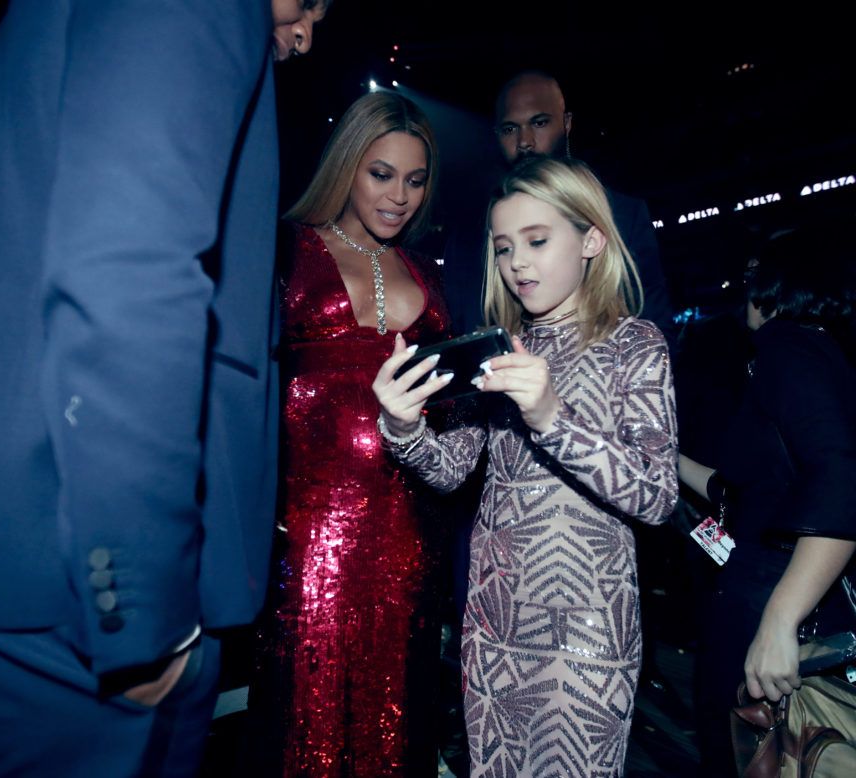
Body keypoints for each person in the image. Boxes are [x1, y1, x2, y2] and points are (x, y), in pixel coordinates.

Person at [0, 1, 327, 775]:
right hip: (59, 598)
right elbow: (130, 280)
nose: (304, 35)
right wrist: (140, 614)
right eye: (311, 2)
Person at [374, 157, 678, 776]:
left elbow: (657, 494)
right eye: (504, 246)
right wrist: (405, 428)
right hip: (494, 623)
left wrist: (551, 416)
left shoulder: (634, 344)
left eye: (537, 241)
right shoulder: (501, 350)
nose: (517, 263)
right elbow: (454, 469)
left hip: (589, 629)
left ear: (592, 239)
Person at [248, 91, 449, 777]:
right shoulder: (287, 249)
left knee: (397, 727)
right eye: (381, 173)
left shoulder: (428, 274)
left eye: (416, 180)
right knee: (306, 725)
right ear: (347, 166)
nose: (400, 196)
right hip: (310, 546)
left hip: (407, 542)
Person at [679, 226, 856, 775]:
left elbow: (842, 481)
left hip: (774, 598)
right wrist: (667, 460)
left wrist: (780, 622)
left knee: (748, 754)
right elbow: (752, 492)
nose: (744, 291)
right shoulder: (820, 354)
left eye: (754, 277)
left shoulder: (788, 349)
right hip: (777, 590)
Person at [443, 70, 674, 344]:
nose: (524, 141)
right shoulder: (467, 239)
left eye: (539, 123)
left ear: (566, 123)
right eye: (509, 129)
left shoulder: (622, 215)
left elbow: (657, 336)